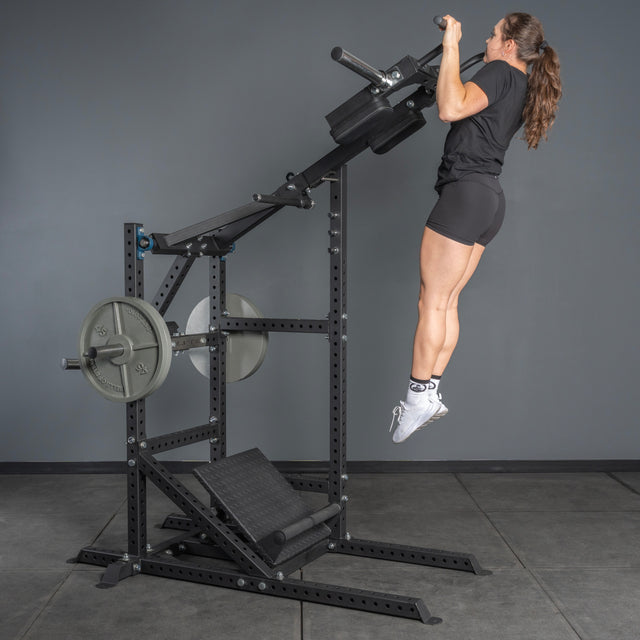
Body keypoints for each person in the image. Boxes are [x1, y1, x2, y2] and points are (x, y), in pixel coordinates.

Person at [390, 12, 562, 443]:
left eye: (493, 34)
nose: (486, 41)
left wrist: (451, 43)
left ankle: (415, 398)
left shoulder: (501, 71)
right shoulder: (521, 84)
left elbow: (450, 108)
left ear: (508, 45)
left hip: (466, 195)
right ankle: (429, 391)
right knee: (445, 302)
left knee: (431, 301)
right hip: (488, 201)